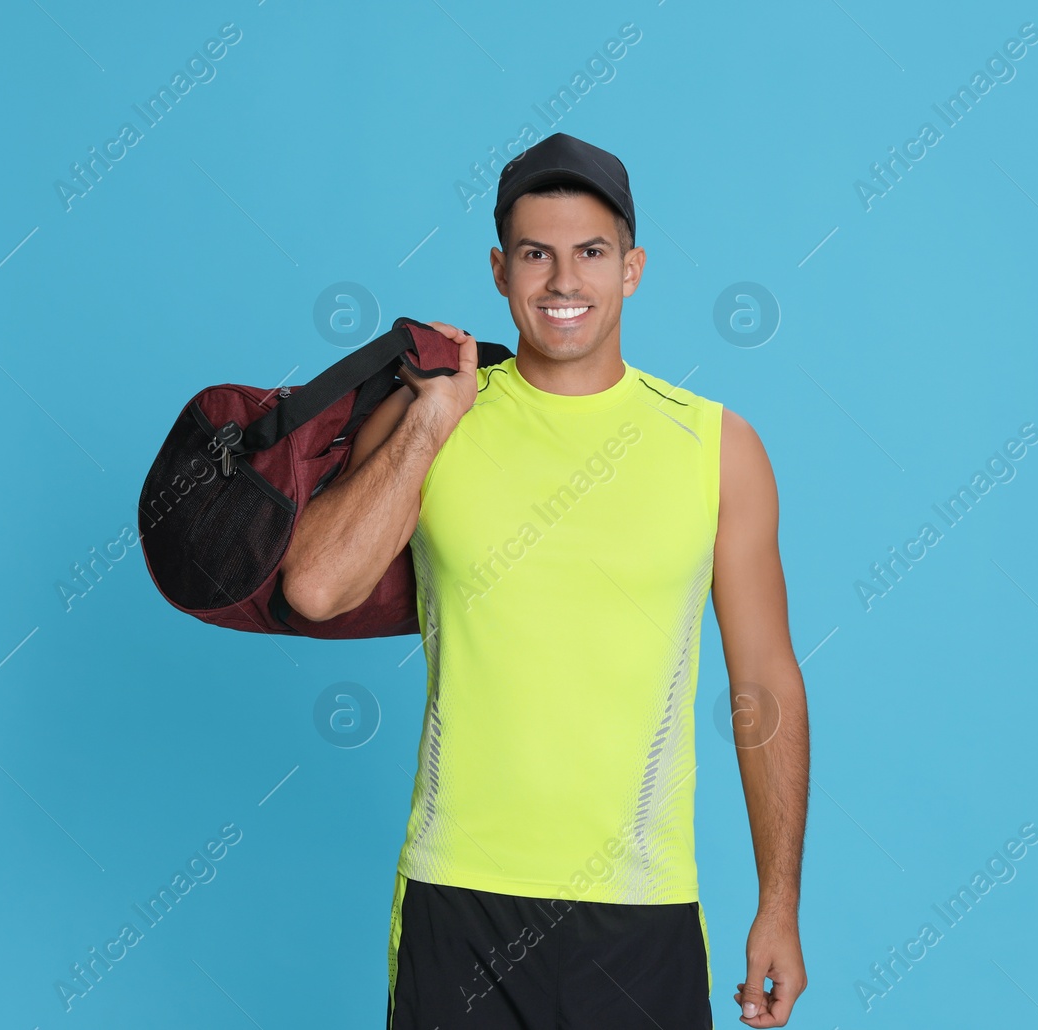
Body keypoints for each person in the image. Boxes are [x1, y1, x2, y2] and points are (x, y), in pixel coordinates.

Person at [277, 133, 809, 1028]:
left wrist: (779, 903)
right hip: (459, 899)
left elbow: (764, 682)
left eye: (590, 253)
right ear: (499, 269)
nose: (564, 282)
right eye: (537, 254)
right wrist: (431, 416)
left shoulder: (718, 448)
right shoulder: (435, 418)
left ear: (632, 268)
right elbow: (315, 588)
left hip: (642, 910)